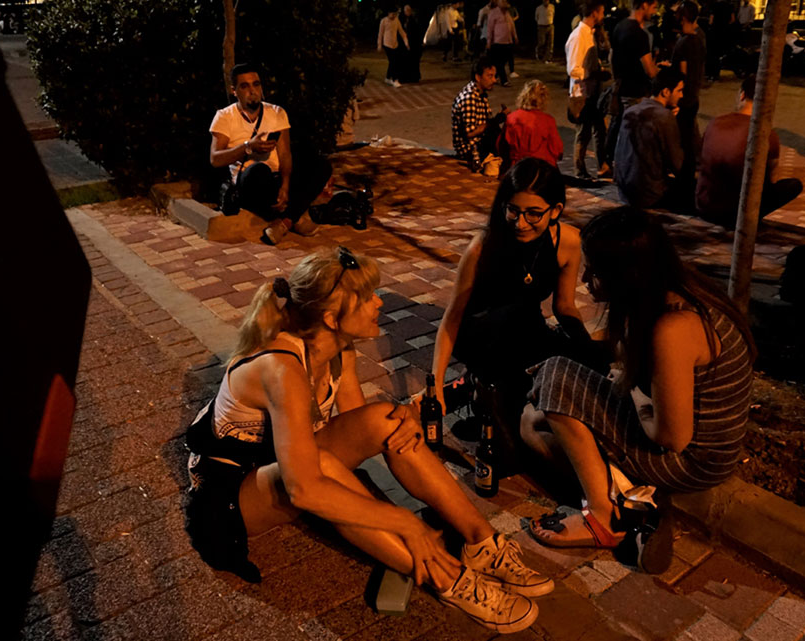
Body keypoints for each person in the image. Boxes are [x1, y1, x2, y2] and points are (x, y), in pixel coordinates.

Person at [183, 247, 552, 633]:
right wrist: (404, 522)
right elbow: (305, 489)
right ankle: (450, 579)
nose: (379, 302)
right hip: (226, 492)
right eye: (368, 297)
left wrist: (403, 422)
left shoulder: (341, 352)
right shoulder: (281, 368)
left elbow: (363, 429)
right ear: (330, 318)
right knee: (321, 472)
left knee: (386, 420)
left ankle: (482, 543)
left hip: (284, 463)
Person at [521, 209, 754, 561]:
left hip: (693, 460)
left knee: (551, 382)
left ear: (625, 276)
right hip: (690, 440)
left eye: (595, 272)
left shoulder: (673, 328)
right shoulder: (677, 289)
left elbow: (671, 437)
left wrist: (632, 391)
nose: (585, 279)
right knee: (531, 422)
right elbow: (624, 357)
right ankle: (631, 498)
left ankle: (606, 517)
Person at [432, 159, 594, 461]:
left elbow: (564, 305)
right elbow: (452, 317)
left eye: (534, 214)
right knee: (507, 450)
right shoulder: (483, 245)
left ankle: (487, 392)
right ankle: (480, 387)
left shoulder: (567, 242)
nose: (521, 223)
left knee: (578, 369)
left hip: (526, 328)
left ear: (555, 210)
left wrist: (585, 352)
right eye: (513, 210)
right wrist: (436, 383)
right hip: (483, 332)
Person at [209, 63, 332, 245]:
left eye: (256, 84)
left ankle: (285, 221)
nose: (252, 91)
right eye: (245, 86)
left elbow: (285, 154)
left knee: (321, 165)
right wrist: (248, 147)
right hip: (251, 181)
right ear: (234, 91)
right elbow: (215, 159)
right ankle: (296, 214)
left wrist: (285, 186)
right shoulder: (225, 116)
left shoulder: (276, 112)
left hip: (275, 179)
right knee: (258, 170)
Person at [696, 76, 804, 227]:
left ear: (742, 95)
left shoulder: (715, 123)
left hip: (704, 204)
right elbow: (771, 178)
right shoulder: (766, 133)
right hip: (737, 213)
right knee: (793, 185)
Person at [614, 67, 685, 210]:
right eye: (679, 90)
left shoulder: (631, 110)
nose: (681, 96)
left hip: (624, 189)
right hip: (649, 193)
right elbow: (677, 163)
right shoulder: (664, 117)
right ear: (666, 91)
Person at [606, 0, 662, 164]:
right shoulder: (639, 34)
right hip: (636, 90)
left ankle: (610, 161)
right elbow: (649, 70)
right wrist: (660, 69)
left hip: (621, 87)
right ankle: (628, 167)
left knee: (619, 127)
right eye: (653, 7)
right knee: (633, 133)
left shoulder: (619, 27)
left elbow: (611, 57)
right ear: (644, 5)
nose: (654, 12)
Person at [565, 0, 610, 180]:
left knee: (600, 129)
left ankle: (603, 166)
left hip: (592, 91)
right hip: (581, 93)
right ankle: (579, 170)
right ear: (594, 12)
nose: (603, 15)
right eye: (602, 11)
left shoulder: (589, 33)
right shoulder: (578, 36)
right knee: (583, 133)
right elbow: (573, 69)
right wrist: (593, 74)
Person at [671, 1, 707, 201]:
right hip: (694, 95)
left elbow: (683, 73)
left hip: (684, 98)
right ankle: (690, 177)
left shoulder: (684, 42)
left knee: (682, 141)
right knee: (689, 139)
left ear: (683, 18)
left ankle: (684, 183)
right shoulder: (699, 38)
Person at [452, 58, 506, 172]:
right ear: (478, 77)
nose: (494, 80)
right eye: (490, 76)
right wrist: (495, 121)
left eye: (494, 76)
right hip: (471, 149)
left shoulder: (480, 93)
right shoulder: (470, 98)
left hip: (480, 142)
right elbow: (470, 133)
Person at [500, 80, 564, 171]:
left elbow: (502, 146)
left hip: (516, 168)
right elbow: (557, 149)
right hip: (541, 169)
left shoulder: (511, 118)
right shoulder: (548, 120)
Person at [488, 0, 519, 86]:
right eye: (503, 1)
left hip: (507, 41)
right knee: (499, 63)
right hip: (498, 42)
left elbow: (512, 25)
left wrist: (515, 37)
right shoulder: (493, 13)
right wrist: (489, 41)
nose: (505, 3)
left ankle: (495, 77)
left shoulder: (507, 13)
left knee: (503, 61)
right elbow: (490, 28)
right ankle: (504, 80)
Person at [378, 8, 410, 88]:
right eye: (392, 14)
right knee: (393, 61)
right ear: (388, 13)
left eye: (395, 14)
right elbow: (380, 34)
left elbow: (401, 32)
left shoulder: (396, 21)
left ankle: (388, 77)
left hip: (395, 44)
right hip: (387, 44)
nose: (394, 16)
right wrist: (379, 45)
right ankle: (395, 80)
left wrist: (406, 42)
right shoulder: (384, 21)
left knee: (394, 61)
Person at [400, 4, 425, 83]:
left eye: (409, 11)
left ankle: (414, 77)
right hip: (404, 43)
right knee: (405, 61)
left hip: (414, 44)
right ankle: (405, 77)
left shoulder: (414, 20)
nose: (407, 12)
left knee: (414, 61)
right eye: (406, 11)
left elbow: (418, 31)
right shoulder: (401, 20)